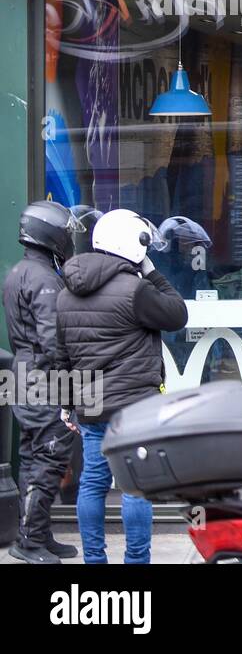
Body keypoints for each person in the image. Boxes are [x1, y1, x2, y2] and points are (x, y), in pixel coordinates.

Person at [53, 208, 189, 564]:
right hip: (133, 407)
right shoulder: (136, 290)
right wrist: (152, 271)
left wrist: (67, 405)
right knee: (135, 488)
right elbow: (177, 314)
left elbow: (62, 356)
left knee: (93, 484)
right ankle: (136, 562)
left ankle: (94, 561)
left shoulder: (66, 295)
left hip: (92, 406)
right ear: (134, 245)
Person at [4, 201, 81, 564]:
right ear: (51, 234)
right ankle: (30, 541)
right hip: (43, 379)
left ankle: (36, 533)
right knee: (49, 459)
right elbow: (53, 340)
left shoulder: (19, 271)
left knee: (32, 455)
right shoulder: (44, 279)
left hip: (21, 373)